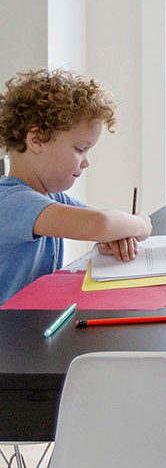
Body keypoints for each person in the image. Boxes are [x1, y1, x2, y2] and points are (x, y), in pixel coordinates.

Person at [0, 69, 152, 304]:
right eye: (80, 149)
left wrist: (117, 236)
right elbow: (100, 223)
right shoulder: (11, 202)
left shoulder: (51, 197)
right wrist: (141, 223)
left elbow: (100, 223)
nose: (86, 161)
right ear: (36, 140)